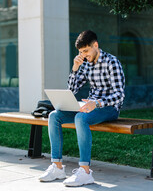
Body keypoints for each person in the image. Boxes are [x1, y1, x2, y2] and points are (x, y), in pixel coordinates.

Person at [39, 30, 125, 186]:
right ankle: (57, 168)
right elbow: (72, 90)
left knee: (80, 117)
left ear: (95, 45)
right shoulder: (85, 64)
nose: (84, 55)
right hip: (89, 107)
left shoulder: (112, 62)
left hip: (109, 108)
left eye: (86, 51)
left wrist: (97, 103)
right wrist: (75, 69)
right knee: (54, 116)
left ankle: (85, 172)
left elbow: (119, 95)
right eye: (80, 52)